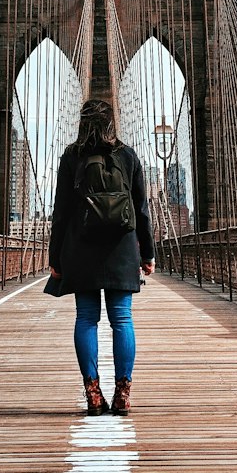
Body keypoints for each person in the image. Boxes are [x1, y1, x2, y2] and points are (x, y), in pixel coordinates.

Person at [47, 98, 155, 416]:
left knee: (86, 319)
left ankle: (94, 395)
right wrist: (147, 253)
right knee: (122, 319)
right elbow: (142, 211)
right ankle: (123, 394)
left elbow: (61, 213)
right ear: (113, 122)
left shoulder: (72, 156)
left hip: (81, 248)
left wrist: (56, 257)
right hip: (121, 249)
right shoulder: (128, 156)